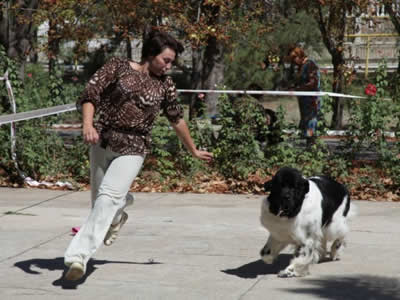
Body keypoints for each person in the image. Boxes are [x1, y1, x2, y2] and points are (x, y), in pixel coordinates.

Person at [63, 30, 213, 281]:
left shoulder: (166, 85)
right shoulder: (118, 67)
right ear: (151, 55)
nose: (169, 65)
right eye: (166, 60)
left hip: (134, 146)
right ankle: (120, 212)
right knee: (101, 202)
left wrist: (193, 149)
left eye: (172, 61)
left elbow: (176, 119)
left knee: (108, 198)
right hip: (102, 140)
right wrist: (87, 125)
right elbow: (90, 94)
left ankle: (77, 257)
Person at [288, 46, 321, 146]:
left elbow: (313, 83)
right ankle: (308, 143)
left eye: (294, 58)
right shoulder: (300, 66)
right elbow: (299, 81)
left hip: (312, 98)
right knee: (305, 120)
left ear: (300, 55)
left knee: (311, 121)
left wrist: (298, 88)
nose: (293, 61)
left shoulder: (310, 64)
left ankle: (312, 143)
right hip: (303, 98)